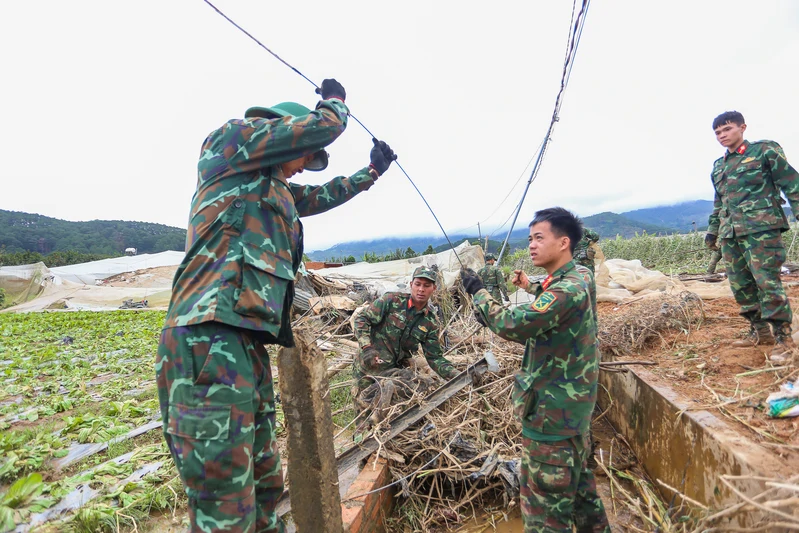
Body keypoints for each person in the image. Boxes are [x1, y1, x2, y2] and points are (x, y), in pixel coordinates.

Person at [155, 78, 397, 533]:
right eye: (306, 154)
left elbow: (325, 195)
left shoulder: (275, 190)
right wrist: (335, 104)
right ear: (283, 130)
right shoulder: (229, 146)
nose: (307, 166)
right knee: (225, 504)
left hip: (248, 344)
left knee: (265, 486)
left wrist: (372, 173)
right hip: (208, 335)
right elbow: (322, 126)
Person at [460, 207, 610, 533]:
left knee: (544, 514)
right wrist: (526, 288)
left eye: (539, 238)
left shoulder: (567, 288)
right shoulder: (577, 277)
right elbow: (547, 302)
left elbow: (517, 324)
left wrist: (479, 293)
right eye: (529, 239)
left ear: (563, 242)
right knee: (583, 501)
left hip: (553, 417)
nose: (531, 245)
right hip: (572, 415)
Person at [705, 111, 799, 363]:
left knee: (767, 282)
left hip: (761, 229)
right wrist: (713, 230)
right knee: (741, 286)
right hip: (731, 234)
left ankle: (783, 338)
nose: (722, 135)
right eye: (717, 133)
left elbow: (792, 183)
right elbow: (719, 203)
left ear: (742, 128)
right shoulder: (718, 165)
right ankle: (760, 333)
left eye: (726, 129)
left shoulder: (764, 151)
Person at [353, 266, 459, 404]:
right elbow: (362, 319)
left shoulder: (430, 322)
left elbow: (435, 358)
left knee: (385, 414)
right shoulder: (391, 301)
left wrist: (455, 374)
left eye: (427, 286)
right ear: (411, 285)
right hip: (368, 367)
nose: (421, 289)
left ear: (434, 288)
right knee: (363, 409)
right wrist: (366, 347)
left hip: (394, 375)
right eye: (418, 284)